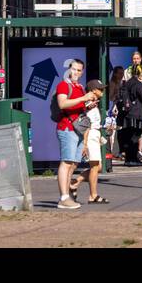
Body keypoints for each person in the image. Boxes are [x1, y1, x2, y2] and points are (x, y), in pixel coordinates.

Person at [54, 58, 90, 209]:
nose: (75, 72)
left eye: (79, 70)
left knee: (73, 164)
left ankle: (67, 195)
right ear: (69, 70)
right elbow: (62, 103)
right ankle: (63, 197)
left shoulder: (80, 87)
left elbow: (79, 107)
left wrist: (88, 103)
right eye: (73, 69)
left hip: (77, 129)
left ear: (82, 72)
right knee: (66, 162)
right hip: (67, 128)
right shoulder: (63, 85)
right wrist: (83, 98)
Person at [69, 80, 109, 204]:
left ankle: (75, 183)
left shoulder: (94, 103)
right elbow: (86, 122)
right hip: (90, 135)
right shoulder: (88, 103)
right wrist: (85, 144)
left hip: (95, 134)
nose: (102, 91)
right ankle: (93, 195)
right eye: (100, 89)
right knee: (95, 166)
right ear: (92, 90)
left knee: (98, 166)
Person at [116, 61, 142, 165]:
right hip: (138, 114)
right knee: (135, 138)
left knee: (128, 137)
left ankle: (128, 159)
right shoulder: (139, 84)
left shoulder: (126, 84)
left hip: (127, 115)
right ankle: (133, 159)